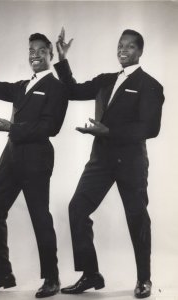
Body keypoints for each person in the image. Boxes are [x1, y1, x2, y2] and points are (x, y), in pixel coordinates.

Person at [54, 28, 164, 298]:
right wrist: (62, 59)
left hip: (131, 162)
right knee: (77, 208)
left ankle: (144, 280)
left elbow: (150, 128)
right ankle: (90, 274)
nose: (123, 50)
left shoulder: (150, 85)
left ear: (140, 52)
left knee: (137, 218)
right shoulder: (105, 80)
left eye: (129, 47)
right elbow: (72, 90)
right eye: (120, 45)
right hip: (101, 159)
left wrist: (109, 132)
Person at [0, 22, 68, 298]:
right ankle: (3, 273)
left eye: (40, 50)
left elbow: (51, 128)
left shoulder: (57, 88)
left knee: (40, 218)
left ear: (50, 53)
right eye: (30, 51)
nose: (34, 55)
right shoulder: (22, 86)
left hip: (37, 160)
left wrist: (11, 128)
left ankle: (52, 278)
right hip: (11, 157)